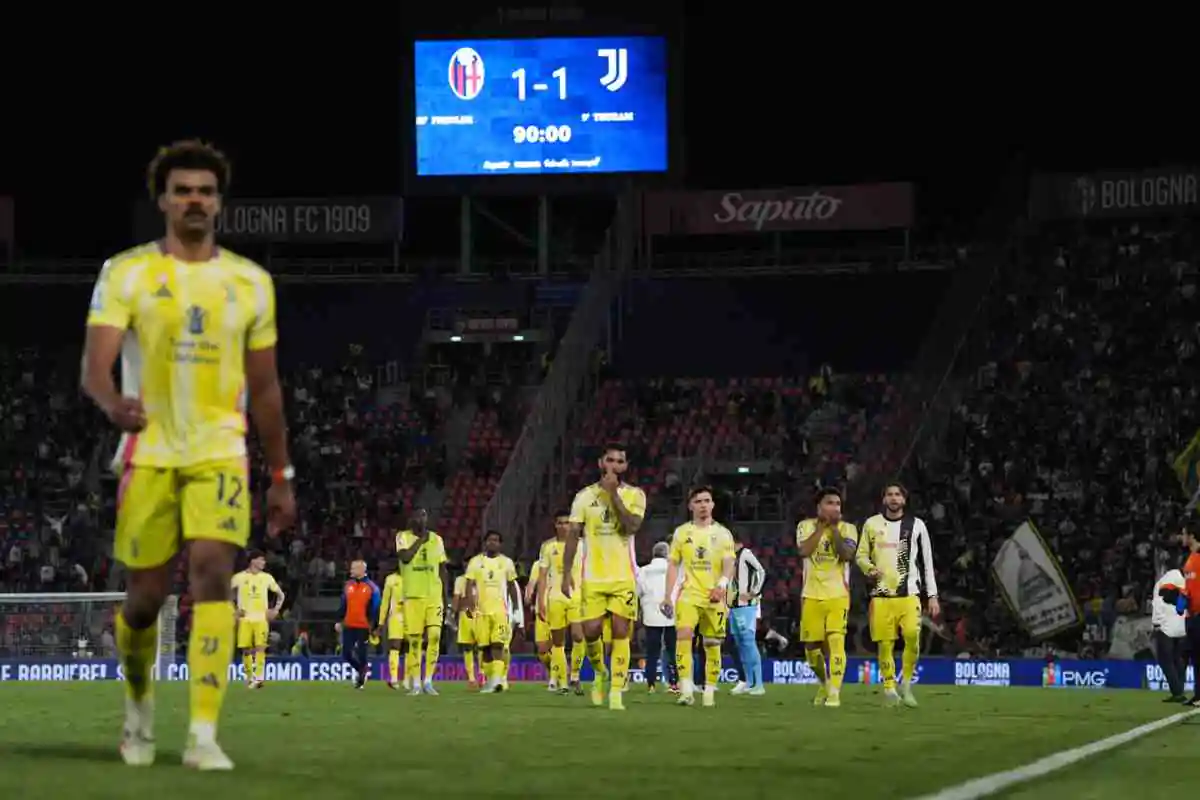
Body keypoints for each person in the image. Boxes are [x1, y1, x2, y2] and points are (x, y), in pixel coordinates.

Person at [82, 140, 296, 771]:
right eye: (183, 190)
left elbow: (265, 388)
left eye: (205, 190)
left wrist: (281, 474)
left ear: (220, 203)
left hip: (220, 452)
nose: (195, 199)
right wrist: (112, 402)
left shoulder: (250, 283)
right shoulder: (126, 272)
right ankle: (139, 711)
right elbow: (96, 365)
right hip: (148, 452)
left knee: (210, 575)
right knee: (145, 599)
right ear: (164, 201)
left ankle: (203, 734)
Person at [561, 444, 647, 711]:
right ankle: (599, 672)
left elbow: (631, 526)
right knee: (591, 632)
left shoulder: (635, 495)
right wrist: (565, 574)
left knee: (622, 633)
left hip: (623, 577)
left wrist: (613, 495)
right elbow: (573, 535)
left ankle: (617, 693)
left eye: (619, 461)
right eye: (609, 459)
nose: (614, 464)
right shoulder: (584, 497)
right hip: (593, 577)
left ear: (625, 466)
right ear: (601, 463)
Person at [856, 482, 939, 708]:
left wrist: (932, 595)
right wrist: (868, 568)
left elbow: (927, 562)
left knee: (912, 636)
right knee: (885, 644)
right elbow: (861, 555)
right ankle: (890, 688)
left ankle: (907, 685)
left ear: (904, 499)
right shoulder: (872, 524)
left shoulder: (917, 525)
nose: (893, 498)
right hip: (881, 595)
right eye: (889, 495)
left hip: (909, 593)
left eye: (897, 495)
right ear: (884, 500)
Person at [661, 486, 735, 708]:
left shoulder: (723, 534)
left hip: (715, 596)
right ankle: (685, 690)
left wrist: (722, 586)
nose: (703, 505)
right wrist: (667, 596)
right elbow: (673, 564)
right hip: (689, 594)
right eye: (698, 501)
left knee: (712, 644)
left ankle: (709, 693)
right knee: (684, 634)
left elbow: (729, 563)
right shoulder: (682, 533)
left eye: (707, 500)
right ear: (690, 505)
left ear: (712, 504)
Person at [797, 487, 858, 708]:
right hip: (811, 594)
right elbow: (804, 551)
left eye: (838, 504)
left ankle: (834, 693)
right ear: (819, 507)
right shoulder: (805, 526)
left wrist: (833, 529)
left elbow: (846, 554)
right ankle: (825, 682)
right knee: (812, 648)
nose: (835, 507)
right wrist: (821, 527)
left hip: (838, 594)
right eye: (830, 503)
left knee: (835, 640)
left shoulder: (848, 529)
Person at [395, 508, 449, 695]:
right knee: (415, 640)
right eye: (418, 515)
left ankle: (428, 681)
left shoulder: (437, 540)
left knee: (434, 635)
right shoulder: (402, 537)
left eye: (425, 515)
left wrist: (446, 598)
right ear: (411, 519)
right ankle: (416, 683)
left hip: (434, 595)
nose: (422, 519)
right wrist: (420, 541)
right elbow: (405, 558)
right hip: (412, 596)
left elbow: (443, 570)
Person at [536, 511, 586, 694]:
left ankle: (574, 675)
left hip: (578, 596)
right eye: (560, 523)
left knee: (578, 636)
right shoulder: (548, 547)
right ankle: (563, 682)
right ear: (555, 525)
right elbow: (542, 576)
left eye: (567, 523)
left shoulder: (582, 545)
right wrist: (541, 601)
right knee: (558, 642)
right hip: (555, 597)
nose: (564, 526)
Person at [466, 530, 521, 693]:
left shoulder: (507, 563)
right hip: (481, 612)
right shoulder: (475, 562)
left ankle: (497, 681)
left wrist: (516, 609)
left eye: (496, 540)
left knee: (498, 645)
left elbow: (512, 586)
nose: (493, 543)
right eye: (490, 540)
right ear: (485, 542)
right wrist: (470, 606)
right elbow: (469, 585)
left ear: (500, 544)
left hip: (500, 611)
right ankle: (492, 680)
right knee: (485, 649)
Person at [231, 550, 285, 689]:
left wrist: (275, 610)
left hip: (261, 618)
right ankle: (250, 678)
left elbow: (281, 595)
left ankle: (259, 678)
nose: (264, 562)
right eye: (261, 560)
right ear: (253, 561)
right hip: (245, 619)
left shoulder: (267, 577)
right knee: (246, 650)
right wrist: (233, 610)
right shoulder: (239, 578)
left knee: (260, 648)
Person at [637, 541, 678, 694]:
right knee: (672, 650)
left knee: (652, 652)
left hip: (650, 615)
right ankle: (674, 683)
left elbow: (638, 591)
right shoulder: (673, 569)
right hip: (670, 614)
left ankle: (651, 685)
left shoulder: (643, 571)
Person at [728, 536, 766, 696]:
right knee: (740, 644)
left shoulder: (746, 554)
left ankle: (759, 684)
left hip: (746, 606)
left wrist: (754, 592)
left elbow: (760, 570)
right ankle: (749, 682)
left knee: (749, 642)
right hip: (733, 606)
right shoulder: (731, 557)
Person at [337, 559, 381, 690]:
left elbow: (376, 608)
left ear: (362, 570)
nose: (351, 571)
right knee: (346, 653)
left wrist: (374, 626)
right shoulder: (347, 585)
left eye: (354, 568)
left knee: (362, 653)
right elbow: (343, 605)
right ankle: (362, 670)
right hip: (349, 625)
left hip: (364, 626)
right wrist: (339, 620)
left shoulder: (372, 588)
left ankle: (361, 678)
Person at [1152, 555, 1188, 703]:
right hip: (1182, 624)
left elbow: (1161, 599)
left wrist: (1157, 622)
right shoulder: (1187, 580)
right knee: (1177, 659)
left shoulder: (1170, 576)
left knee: (1165, 659)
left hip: (1167, 625)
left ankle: (1177, 691)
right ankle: (1179, 690)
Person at [525, 555, 554, 688]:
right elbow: (532, 583)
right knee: (542, 649)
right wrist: (528, 594)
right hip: (541, 611)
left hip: (559, 609)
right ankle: (554, 670)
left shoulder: (563, 562)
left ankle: (555, 676)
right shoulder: (538, 565)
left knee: (556, 646)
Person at [375, 568, 406, 690]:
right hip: (396, 616)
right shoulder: (391, 579)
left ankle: (408, 679)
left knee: (411, 646)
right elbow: (385, 602)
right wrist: (381, 622)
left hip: (413, 615)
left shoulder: (415, 577)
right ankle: (394, 679)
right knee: (395, 646)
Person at [451, 569, 481, 689]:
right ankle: (472, 678)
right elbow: (457, 599)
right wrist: (453, 613)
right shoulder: (460, 580)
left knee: (481, 646)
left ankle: (482, 675)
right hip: (466, 614)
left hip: (480, 613)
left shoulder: (481, 577)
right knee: (467, 646)